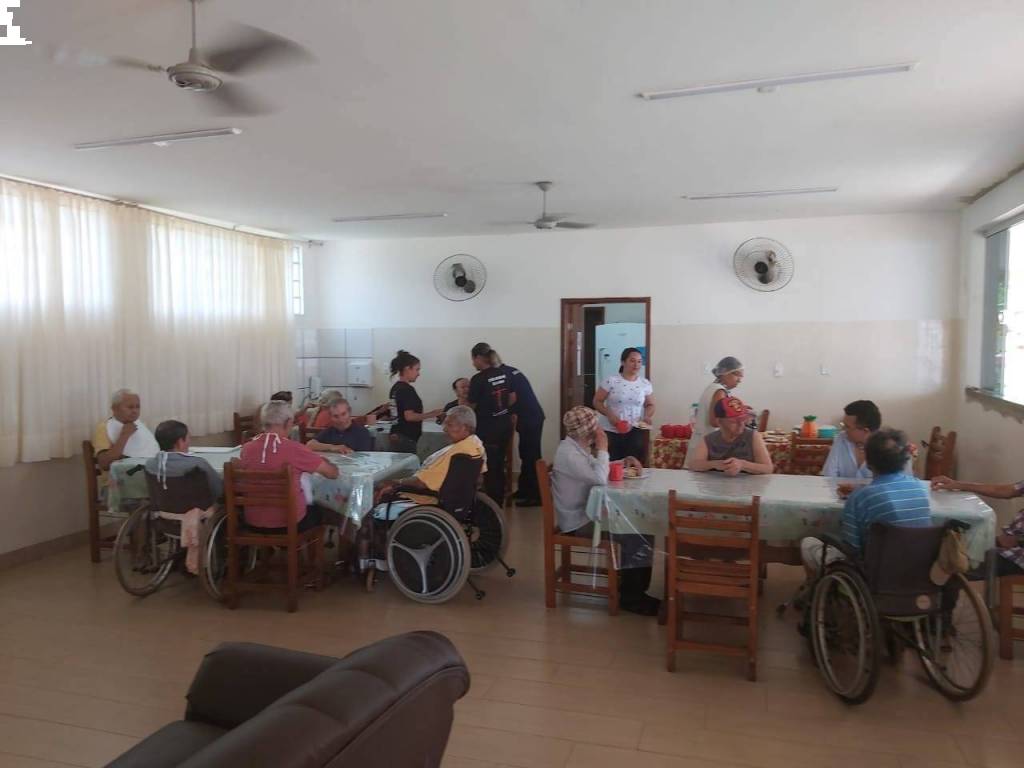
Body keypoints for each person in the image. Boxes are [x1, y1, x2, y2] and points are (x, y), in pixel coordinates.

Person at [552, 406, 657, 615]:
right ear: (588, 431)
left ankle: (632, 587)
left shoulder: (575, 447)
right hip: (578, 522)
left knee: (641, 527)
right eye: (596, 426)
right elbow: (600, 477)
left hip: (586, 514)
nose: (599, 429)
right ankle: (632, 598)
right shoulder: (570, 454)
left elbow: (596, 467)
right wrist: (603, 447)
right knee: (635, 533)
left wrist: (622, 461)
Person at [800, 429, 931, 574]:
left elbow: (851, 547)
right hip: (915, 570)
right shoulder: (920, 488)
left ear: (868, 463)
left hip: (875, 572)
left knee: (808, 543)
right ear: (904, 460)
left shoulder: (860, 497)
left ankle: (817, 585)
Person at [238, 400, 339, 531]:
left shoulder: (246, 448)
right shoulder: (295, 449)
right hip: (288, 524)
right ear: (288, 423)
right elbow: (332, 474)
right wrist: (326, 461)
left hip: (253, 522)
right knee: (322, 510)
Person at [471, 342, 547, 507]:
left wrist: (498, 412)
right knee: (525, 453)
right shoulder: (508, 371)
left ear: (479, 358)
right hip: (529, 416)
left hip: (528, 417)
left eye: (473, 359)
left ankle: (536, 495)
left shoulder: (500, 375)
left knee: (531, 456)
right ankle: (524, 490)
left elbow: (509, 399)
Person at [374, 405, 487, 506]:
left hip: (426, 499)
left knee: (379, 488)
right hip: (455, 499)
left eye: (449, 425)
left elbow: (421, 483)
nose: (444, 429)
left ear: (465, 427)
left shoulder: (459, 452)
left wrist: (396, 482)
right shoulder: (475, 446)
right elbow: (479, 480)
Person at [931, 474, 1024, 577]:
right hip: (1009, 543)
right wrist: (958, 484)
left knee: (955, 562)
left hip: (1017, 553)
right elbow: (1005, 490)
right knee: (951, 546)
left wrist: (1018, 540)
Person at [468, 343, 517, 504]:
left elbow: (471, 407)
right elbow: (512, 398)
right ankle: (499, 499)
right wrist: (499, 408)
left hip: (487, 429)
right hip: (504, 425)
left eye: (473, 359)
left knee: (490, 468)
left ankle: (493, 504)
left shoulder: (478, 379)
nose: (472, 363)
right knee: (499, 463)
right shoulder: (505, 373)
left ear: (478, 357)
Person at [593, 347, 654, 463]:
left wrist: (646, 416)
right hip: (611, 430)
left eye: (639, 361)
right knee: (612, 464)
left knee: (632, 464)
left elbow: (650, 404)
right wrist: (609, 414)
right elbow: (597, 401)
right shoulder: (611, 381)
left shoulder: (645, 383)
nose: (636, 365)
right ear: (623, 362)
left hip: (635, 430)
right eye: (632, 361)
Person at [688, 396, 773, 475]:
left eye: (743, 419)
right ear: (719, 422)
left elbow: (768, 468)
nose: (741, 424)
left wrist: (743, 465)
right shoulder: (709, 439)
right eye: (734, 421)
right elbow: (694, 464)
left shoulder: (753, 436)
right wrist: (714, 464)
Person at [685, 356, 743, 469]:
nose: (740, 380)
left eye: (741, 376)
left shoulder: (714, 388)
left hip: (703, 442)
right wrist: (736, 419)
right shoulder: (719, 391)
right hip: (707, 444)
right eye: (737, 375)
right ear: (725, 373)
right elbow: (715, 421)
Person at [145, 420, 223, 499]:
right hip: (198, 506)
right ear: (180, 442)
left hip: (162, 506)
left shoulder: (149, 465)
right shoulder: (198, 464)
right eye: (188, 437)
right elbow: (218, 490)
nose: (190, 441)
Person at [388, 350, 442, 454]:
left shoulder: (395, 388)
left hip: (396, 434)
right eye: (417, 369)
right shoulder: (407, 389)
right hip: (405, 438)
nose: (418, 374)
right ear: (407, 368)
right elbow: (409, 416)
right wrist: (433, 414)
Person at [93, 388, 159, 472]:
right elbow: (104, 464)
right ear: (114, 409)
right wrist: (124, 435)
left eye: (137, 407)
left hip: (149, 472)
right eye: (130, 407)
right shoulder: (103, 427)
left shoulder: (140, 425)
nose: (135, 411)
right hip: (119, 476)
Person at [307, 398, 374, 454]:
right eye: (336, 416)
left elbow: (364, 458)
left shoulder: (362, 432)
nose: (341, 420)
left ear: (349, 412)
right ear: (330, 417)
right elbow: (309, 445)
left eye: (343, 414)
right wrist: (333, 447)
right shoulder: (329, 431)